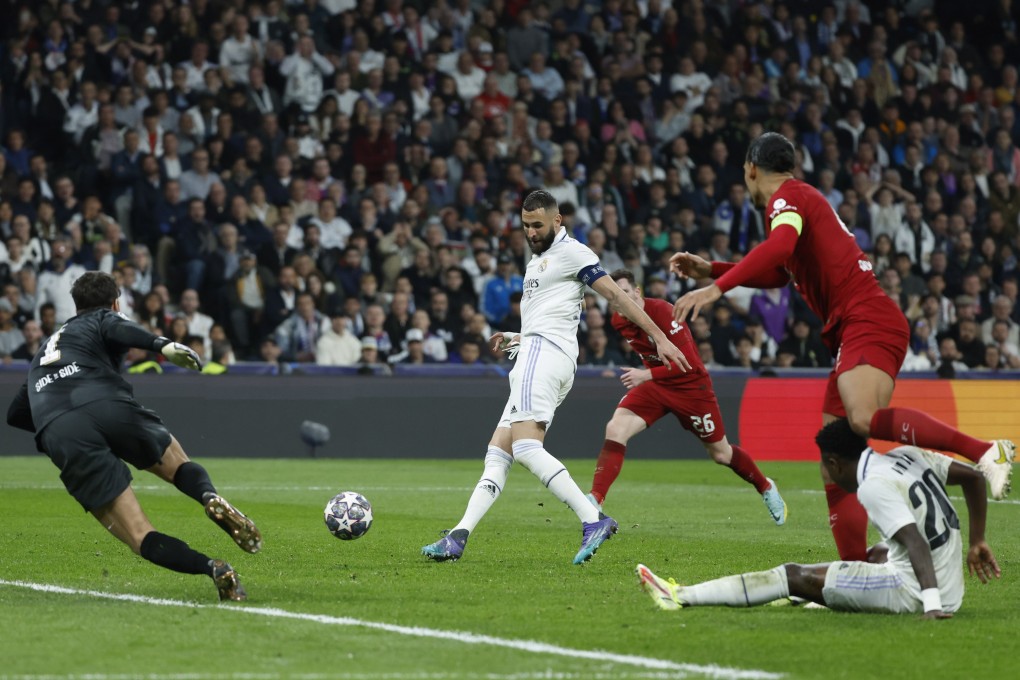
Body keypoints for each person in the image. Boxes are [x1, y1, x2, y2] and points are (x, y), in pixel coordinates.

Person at [670, 133, 1015, 561]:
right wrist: (713, 268)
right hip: (855, 326)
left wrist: (717, 288)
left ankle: (985, 451)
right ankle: (853, 569)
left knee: (863, 418)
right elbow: (781, 271)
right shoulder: (797, 202)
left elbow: (779, 248)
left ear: (751, 169)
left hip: (865, 318)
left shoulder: (786, 199)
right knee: (837, 457)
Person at [420, 190, 690, 565]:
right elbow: (554, 315)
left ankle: (592, 518)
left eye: (538, 225)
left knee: (528, 448)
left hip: (543, 358)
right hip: (539, 352)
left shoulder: (573, 253)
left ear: (557, 221)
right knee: (499, 452)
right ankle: (458, 536)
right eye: (526, 225)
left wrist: (659, 337)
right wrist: (518, 338)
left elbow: (616, 296)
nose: (530, 232)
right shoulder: (540, 260)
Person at [5, 272, 261, 601]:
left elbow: (15, 414)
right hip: (105, 403)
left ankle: (214, 568)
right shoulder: (102, 318)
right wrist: (163, 345)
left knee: (140, 536)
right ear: (115, 302)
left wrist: (62, 427)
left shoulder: (44, 352)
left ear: (75, 305)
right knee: (177, 462)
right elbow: (116, 328)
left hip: (61, 431)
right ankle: (209, 498)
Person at [636, 419, 1000, 618]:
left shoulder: (873, 486)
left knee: (793, 574)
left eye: (824, 466)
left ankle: (681, 596)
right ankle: (805, 594)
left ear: (834, 463)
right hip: (948, 579)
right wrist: (978, 539)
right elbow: (973, 475)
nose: (825, 474)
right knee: (875, 554)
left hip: (916, 594)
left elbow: (915, 542)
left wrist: (932, 607)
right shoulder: (906, 455)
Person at [587, 269, 786, 525]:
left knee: (721, 454)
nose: (620, 300)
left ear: (637, 292)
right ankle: (595, 499)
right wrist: (649, 376)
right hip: (657, 384)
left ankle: (765, 487)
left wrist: (645, 376)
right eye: (615, 296)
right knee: (615, 428)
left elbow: (690, 364)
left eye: (624, 293)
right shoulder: (618, 320)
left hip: (691, 388)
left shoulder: (663, 312)